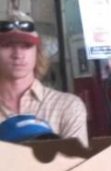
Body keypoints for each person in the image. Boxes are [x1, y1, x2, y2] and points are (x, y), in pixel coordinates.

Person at [0, 12, 87, 145]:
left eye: (26, 46)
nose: (18, 54)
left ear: (38, 51)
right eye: (7, 45)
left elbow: (77, 163)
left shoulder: (67, 106)